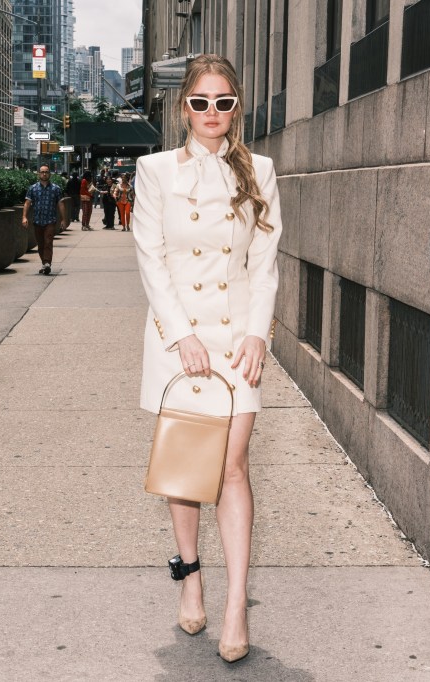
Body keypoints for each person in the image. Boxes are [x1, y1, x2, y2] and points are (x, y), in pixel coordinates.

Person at [133, 54, 281, 664]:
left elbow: (265, 263)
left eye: (223, 102)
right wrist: (180, 336)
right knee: (187, 467)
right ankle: (191, 577)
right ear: (183, 107)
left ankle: (235, 601)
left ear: (236, 106)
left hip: (236, 340)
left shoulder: (261, 171)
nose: (212, 113)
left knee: (234, 468)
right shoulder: (154, 169)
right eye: (201, 102)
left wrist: (257, 335)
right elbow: (151, 256)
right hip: (178, 341)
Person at [22, 164, 65, 275]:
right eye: (42, 172)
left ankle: (47, 263)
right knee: (40, 244)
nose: (44, 174)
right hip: (37, 220)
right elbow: (27, 203)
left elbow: (60, 204)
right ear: (38, 174)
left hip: (50, 220)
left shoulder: (56, 188)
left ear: (49, 174)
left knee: (48, 241)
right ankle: (44, 263)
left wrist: (63, 219)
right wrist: (24, 217)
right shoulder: (33, 188)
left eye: (46, 172)